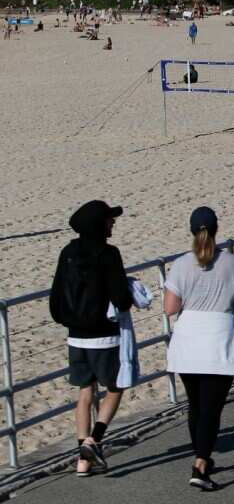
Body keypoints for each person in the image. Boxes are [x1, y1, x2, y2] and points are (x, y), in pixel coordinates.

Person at [164, 207, 234, 491]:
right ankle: (201, 464)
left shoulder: (180, 265)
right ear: (216, 229)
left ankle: (200, 456)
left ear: (191, 230)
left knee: (196, 405)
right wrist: (230, 324)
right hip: (218, 335)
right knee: (212, 409)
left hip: (188, 337)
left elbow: (170, 309)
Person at [50, 200, 132, 477]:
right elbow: (121, 299)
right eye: (110, 219)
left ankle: (82, 462)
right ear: (99, 224)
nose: (113, 223)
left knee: (85, 393)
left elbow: (56, 295)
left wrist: (68, 320)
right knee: (115, 387)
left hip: (76, 336)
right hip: (104, 336)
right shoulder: (109, 253)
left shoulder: (68, 252)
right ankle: (93, 441)